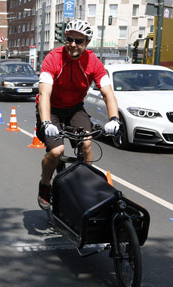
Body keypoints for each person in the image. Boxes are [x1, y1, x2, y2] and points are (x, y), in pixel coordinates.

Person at [36, 19, 120, 210]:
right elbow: (44, 93)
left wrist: (114, 119)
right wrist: (46, 122)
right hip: (52, 108)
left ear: (87, 43)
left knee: (87, 142)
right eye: (69, 39)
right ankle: (45, 185)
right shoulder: (53, 58)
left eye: (79, 41)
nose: (73, 44)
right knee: (57, 151)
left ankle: (85, 185)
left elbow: (108, 93)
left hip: (74, 107)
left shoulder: (94, 62)